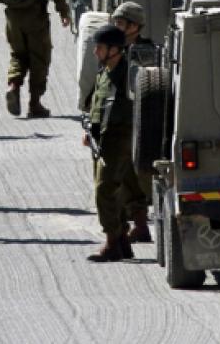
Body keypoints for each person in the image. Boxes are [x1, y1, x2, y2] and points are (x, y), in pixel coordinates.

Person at [83, 24, 134, 262]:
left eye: (100, 48)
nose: (96, 52)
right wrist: (90, 131)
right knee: (113, 190)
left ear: (114, 49)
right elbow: (96, 104)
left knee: (104, 190)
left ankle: (112, 243)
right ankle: (122, 241)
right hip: (102, 140)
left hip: (120, 139)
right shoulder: (104, 72)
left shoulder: (128, 75)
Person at [111, 1, 153, 244]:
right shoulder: (112, 48)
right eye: (115, 22)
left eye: (121, 23)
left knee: (130, 175)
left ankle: (137, 225)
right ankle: (132, 225)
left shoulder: (146, 51)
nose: (116, 26)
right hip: (115, 119)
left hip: (134, 121)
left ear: (134, 26)